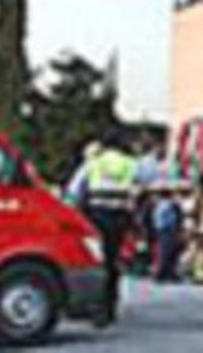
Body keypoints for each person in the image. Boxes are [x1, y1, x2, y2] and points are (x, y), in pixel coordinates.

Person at [74, 135, 138, 324]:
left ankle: (95, 306)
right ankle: (110, 305)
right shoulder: (130, 164)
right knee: (113, 259)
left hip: (96, 216)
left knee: (95, 259)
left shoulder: (94, 163)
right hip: (119, 216)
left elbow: (75, 190)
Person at [150, 187, 184, 283]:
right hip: (167, 230)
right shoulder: (169, 205)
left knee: (166, 251)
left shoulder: (159, 205)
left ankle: (167, 273)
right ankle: (162, 274)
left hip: (162, 230)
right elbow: (172, 219)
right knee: (167, 252)